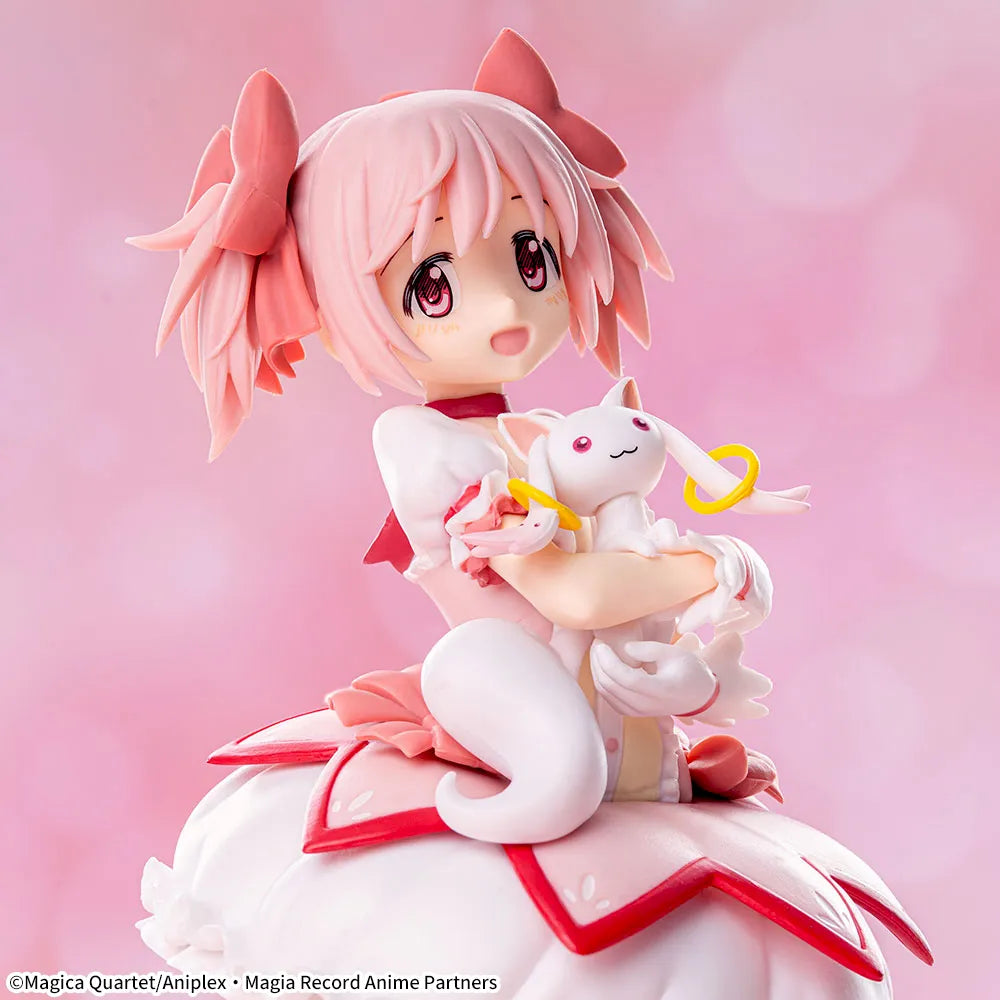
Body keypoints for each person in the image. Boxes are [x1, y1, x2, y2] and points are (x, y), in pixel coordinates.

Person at [131, 29, 930, 999]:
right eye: (432, 284)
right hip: (504, 669)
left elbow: (620, 546)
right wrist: (699, 566)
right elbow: (567, 588)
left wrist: (699, 595)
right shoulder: (421, 445)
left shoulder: (553, 431)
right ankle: (516, 801)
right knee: (564, 771)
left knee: (669, 770)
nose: (504, 307)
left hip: (594, 683)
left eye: (529, 256)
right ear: (336, 309)